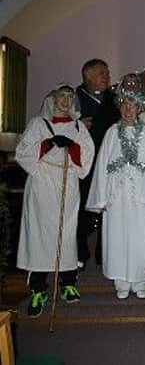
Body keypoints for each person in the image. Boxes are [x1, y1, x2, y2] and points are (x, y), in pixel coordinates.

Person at [16, 83, 95, 317]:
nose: (66, 100)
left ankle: (68, 282)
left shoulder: (79, 126)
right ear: (53, 98)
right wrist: (48, 143)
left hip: (67, 182)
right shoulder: (38, 124)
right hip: (42, 182)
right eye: (62, 95)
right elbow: (23, 152)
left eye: (70, 97)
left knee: (66, 232)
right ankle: (38, 288)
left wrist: (72, 148)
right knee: (40, 235)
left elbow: (87, 156)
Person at [86, 90, 145, 299]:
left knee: (140, 237)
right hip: (116, 195)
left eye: (133, 106)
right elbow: (102, 165)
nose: (129, 110)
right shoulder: (112, 132)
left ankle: (140, 280)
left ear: (139, 109)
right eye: (125, 106)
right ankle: (121, 281)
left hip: (140, 195)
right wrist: (102, 197)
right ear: (120, 107)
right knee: (117, 236)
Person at [75, 59, 120, 269]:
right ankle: (80, 254)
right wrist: (76, 125)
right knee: (82, 209)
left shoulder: (114, 98)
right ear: (88, 76)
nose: (107, 76)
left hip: (109, 162)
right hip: (83, 164)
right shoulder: (74, 98)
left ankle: (104, 254)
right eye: (103, 73)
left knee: (108, 210)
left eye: (107, 73)